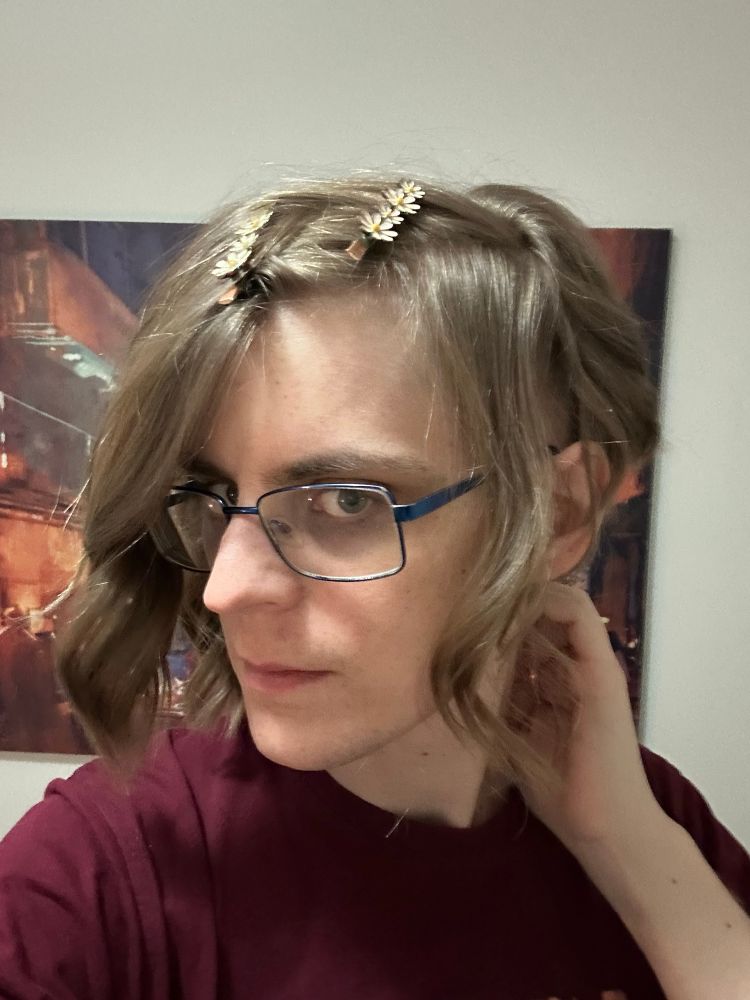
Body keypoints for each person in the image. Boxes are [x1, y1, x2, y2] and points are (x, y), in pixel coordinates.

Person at [0, 176, 748, 1000]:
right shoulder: (105, 872)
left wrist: (630, 851)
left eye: (346, 502)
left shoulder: (653, 822)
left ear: (558, 512)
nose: (226, 588)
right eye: (210, 495)